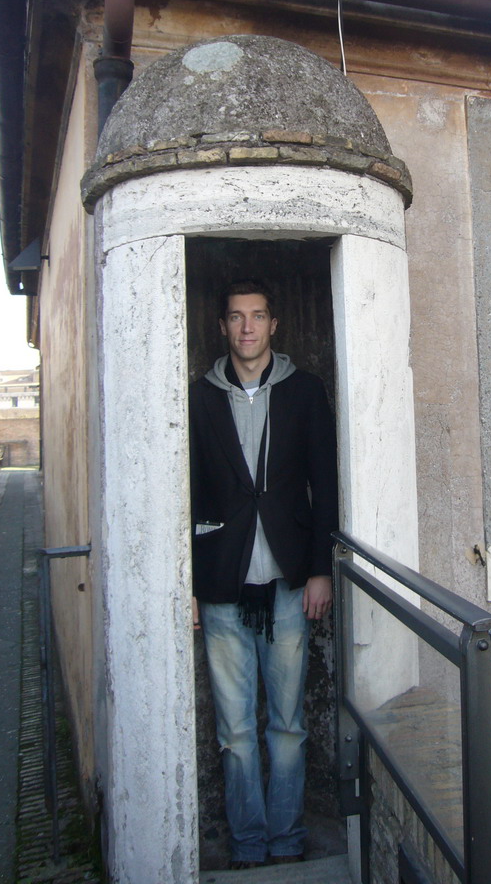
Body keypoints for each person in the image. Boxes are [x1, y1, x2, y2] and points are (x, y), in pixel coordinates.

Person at [189, 279, 338, 870]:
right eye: (235, 318)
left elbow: (325, 485)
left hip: (288, 585)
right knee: (235, 733)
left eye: (256, 317)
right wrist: (192, 587)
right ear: (223, 328)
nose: (246, 328)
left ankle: (287, 840)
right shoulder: (200, 399)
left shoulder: (304, 392)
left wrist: (322, 570)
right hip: (223, 587)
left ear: (274, 324)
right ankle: (249, 845)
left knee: (288, 725)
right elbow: (189, 490)